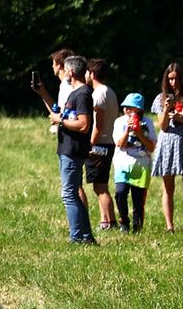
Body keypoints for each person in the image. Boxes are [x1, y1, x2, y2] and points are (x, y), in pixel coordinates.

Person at [36, 54, 96, 243]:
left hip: (73, 150)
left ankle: (76, 237)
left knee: (69, 194)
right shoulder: (75, 93)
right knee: (73, 193)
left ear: (70, 71)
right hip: (68, 149)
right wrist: (42, 93)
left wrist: (60, 120)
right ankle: (86, 236)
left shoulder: (82, 94)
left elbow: (84, 125)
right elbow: (60, 114)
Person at [150, 62, 183, 231]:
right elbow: (163, 126)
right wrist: (166, 110)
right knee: (168, 187)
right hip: (167, 143)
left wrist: (182, 119)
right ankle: (169, 226)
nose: (173, 82)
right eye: (170, 79)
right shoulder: (161, 99)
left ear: (182, 79)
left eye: (176, 78)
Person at [110, 93, 157, 233]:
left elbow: (151, 147)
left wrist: (139, 132)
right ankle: (124, 221)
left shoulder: (148, 123)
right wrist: (128, 130)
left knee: (138, 199)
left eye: (132, 108)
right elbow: (120, 144)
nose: (128, 111)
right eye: (126, 107)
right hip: (122, 164)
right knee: (120, 193)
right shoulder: (119, 122)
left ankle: (138, 227)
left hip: (141, 165)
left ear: (139, 110)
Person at [83, 60, 119, 230]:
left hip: (100, 143)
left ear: (92, 74)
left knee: (100, 187)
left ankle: (110, 222)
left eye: (87, 72)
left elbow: (98, 124)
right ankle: (105, 221)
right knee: (100, 184)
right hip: (108, 142)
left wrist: (90, 143)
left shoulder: (98, 94)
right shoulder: (109, 91)